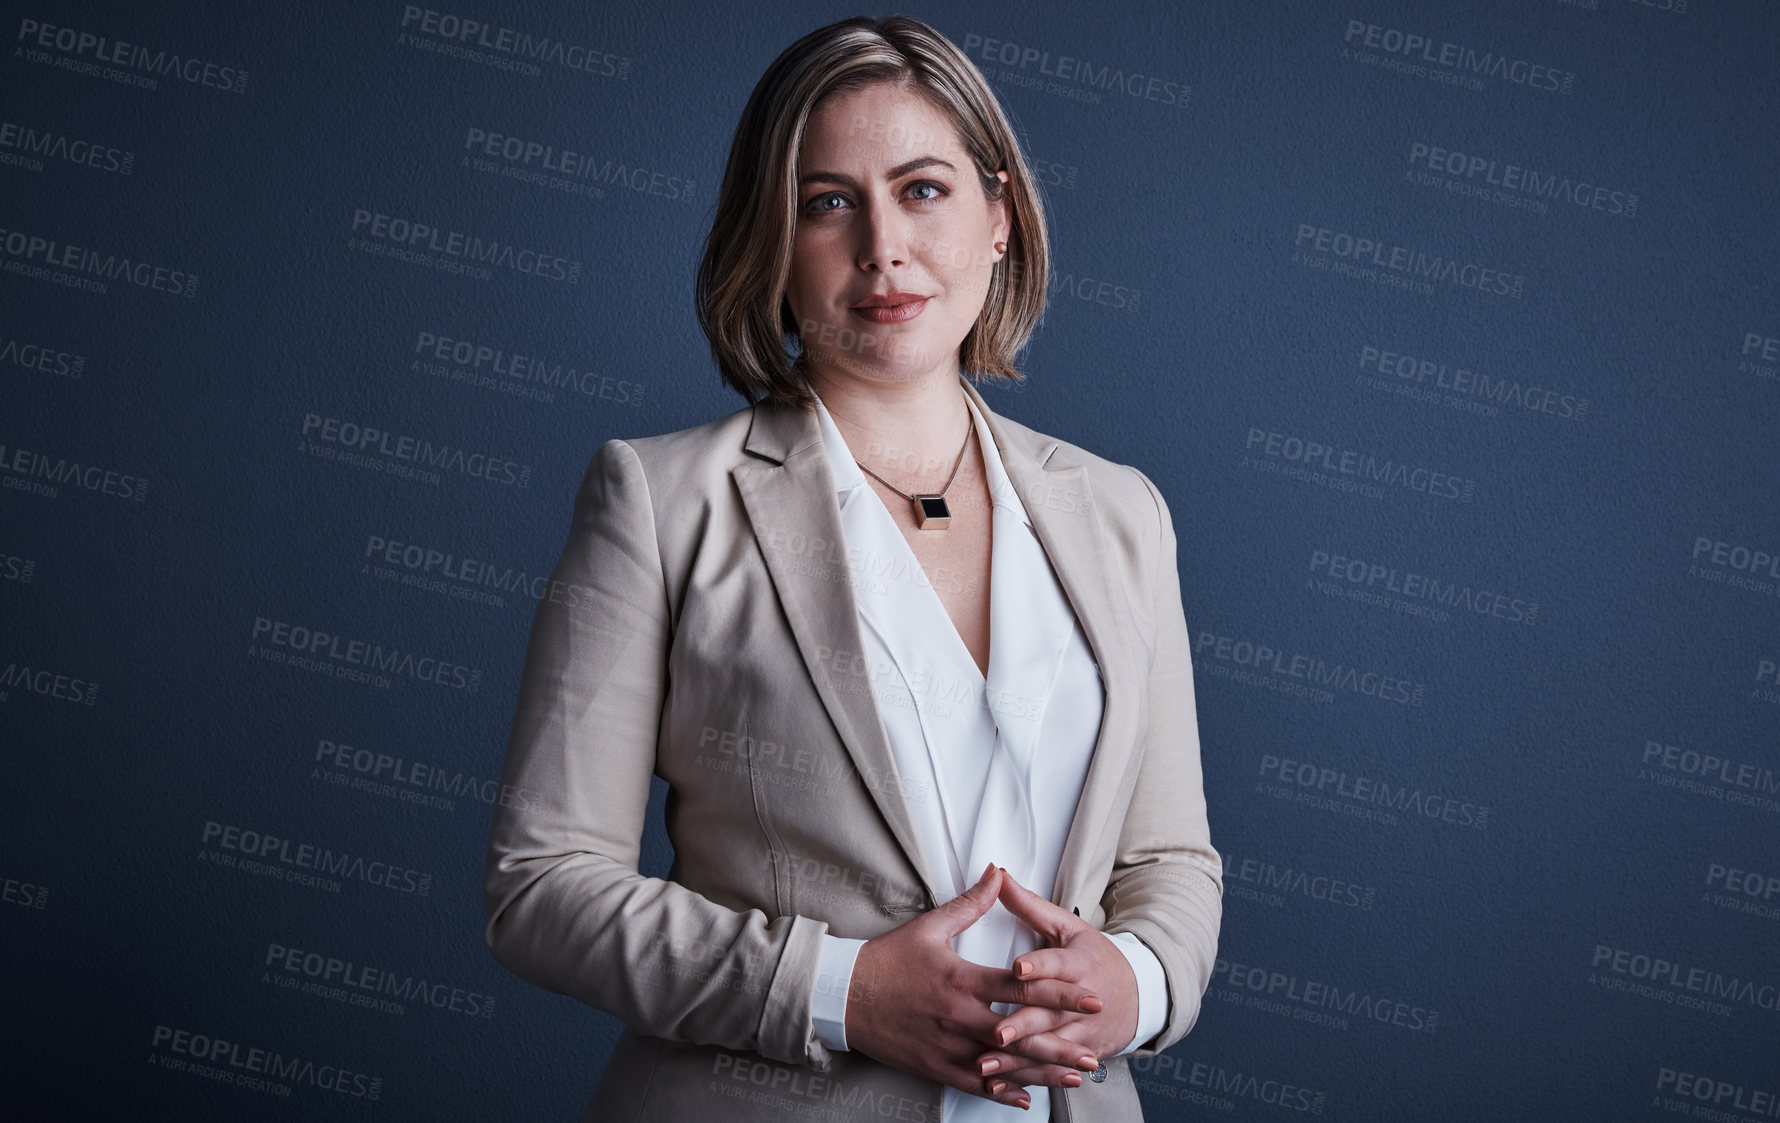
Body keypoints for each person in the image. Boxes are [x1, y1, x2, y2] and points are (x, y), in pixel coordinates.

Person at [482, 15, 1221, 1121]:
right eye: (828, 203)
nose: (882, 246)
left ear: (999, 216)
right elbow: (541, 889)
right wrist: (839, 991)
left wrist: (1141, 981)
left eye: (922, 189)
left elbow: (1169, 859)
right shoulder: (657, 499)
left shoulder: (1121, 513)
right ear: (770, 243)